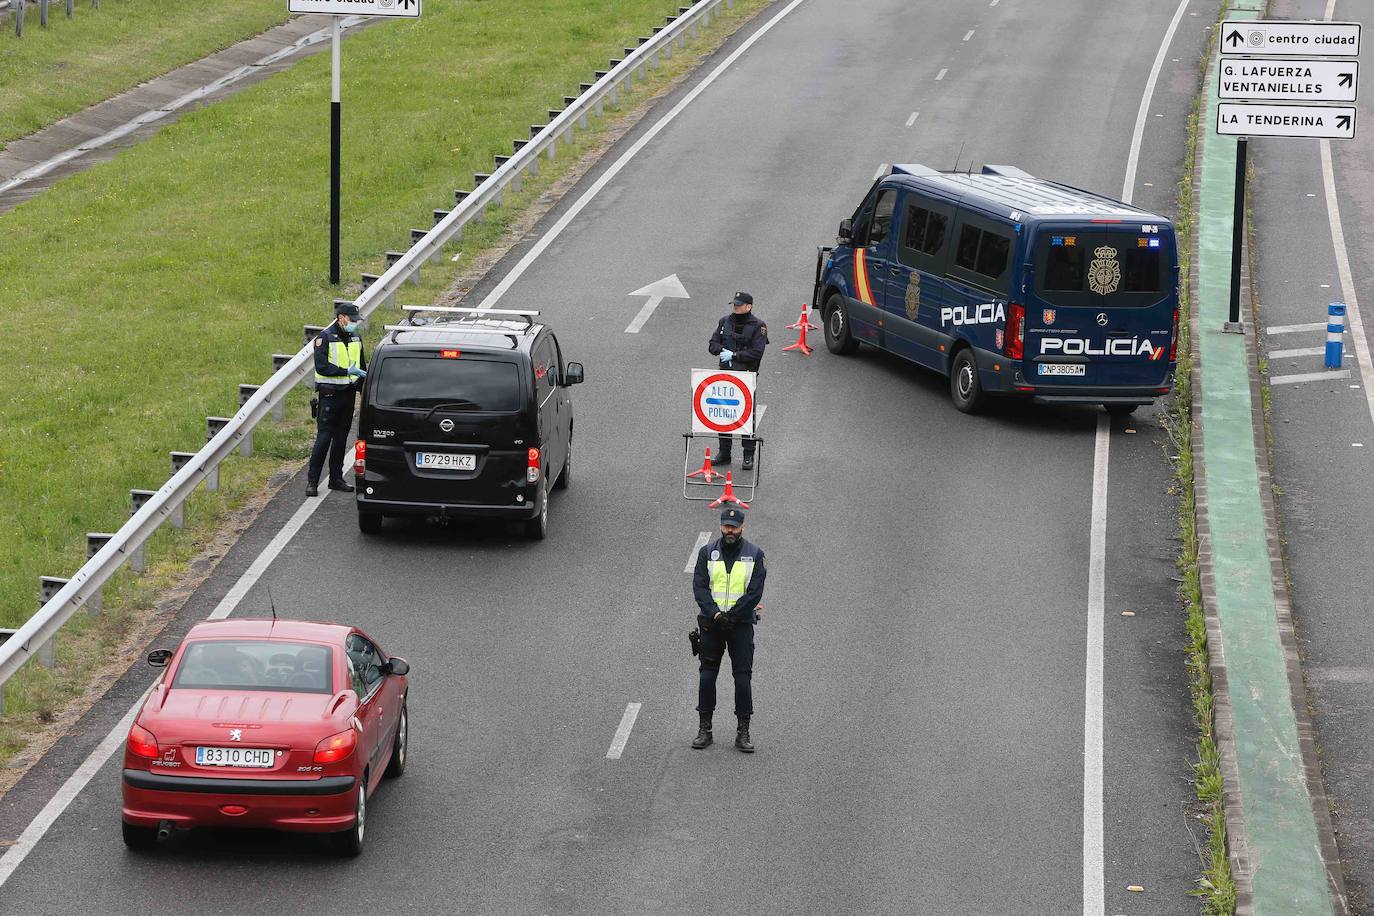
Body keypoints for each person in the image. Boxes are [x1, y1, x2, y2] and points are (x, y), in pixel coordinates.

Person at [691, 505, 767, 752]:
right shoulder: (706, 553)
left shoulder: (755, 555)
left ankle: (743, 732)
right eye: (726, 526)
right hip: (712, 624)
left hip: (740, 625)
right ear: (721, 526)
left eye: (734, 527)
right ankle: (705, 729)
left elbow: (754, 592)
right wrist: (715, 614)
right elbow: (700, 588)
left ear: (742, 527)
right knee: (707, 676)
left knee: (742, 679)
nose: (729, 531)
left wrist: (732, 616)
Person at [307, 302, 367, 497]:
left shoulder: (356, 338)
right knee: (324, 439)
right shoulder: (324, 338)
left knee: (341, 439)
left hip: (348, 395)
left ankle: (336, 478)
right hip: (330, 396)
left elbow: (361, 365)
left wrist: (363, 389)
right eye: (352, 320)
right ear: (341, 317)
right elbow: (322, 367)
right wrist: (344, 371)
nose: (354, 324)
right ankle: (313, 482)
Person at [707, 291, 768, 470]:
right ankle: (724, 453)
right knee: (724, 414)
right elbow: (712, 344)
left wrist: (734, 354)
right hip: (726, 375)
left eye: (739, 305)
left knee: (746, 416)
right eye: (734, 304)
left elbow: (757, 352)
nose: (735, 307)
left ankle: (748, 455)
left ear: (748, 306)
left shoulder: (759, 326)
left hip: (746, 377)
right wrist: (722, 351)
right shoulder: (724, 321)